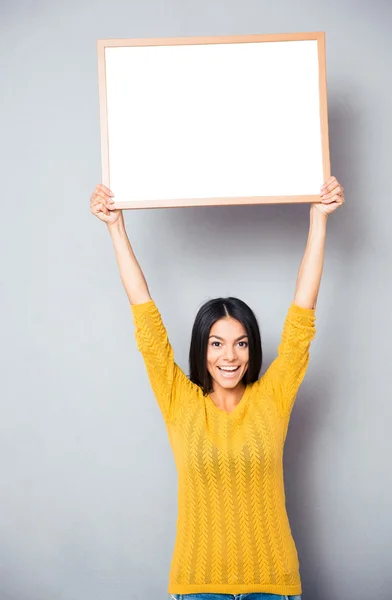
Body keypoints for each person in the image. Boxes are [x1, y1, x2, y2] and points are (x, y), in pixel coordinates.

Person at [90, 178, 345, 600]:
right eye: (217, 343)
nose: (230, 356)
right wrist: (116, 228)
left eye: (241, 343)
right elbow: (145, 318)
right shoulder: (179, 401)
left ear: (252, 349)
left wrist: (318, 219)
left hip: (274, 586)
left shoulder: (272, 397)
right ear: (202, 349)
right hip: (197, 587)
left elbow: (302, 315)